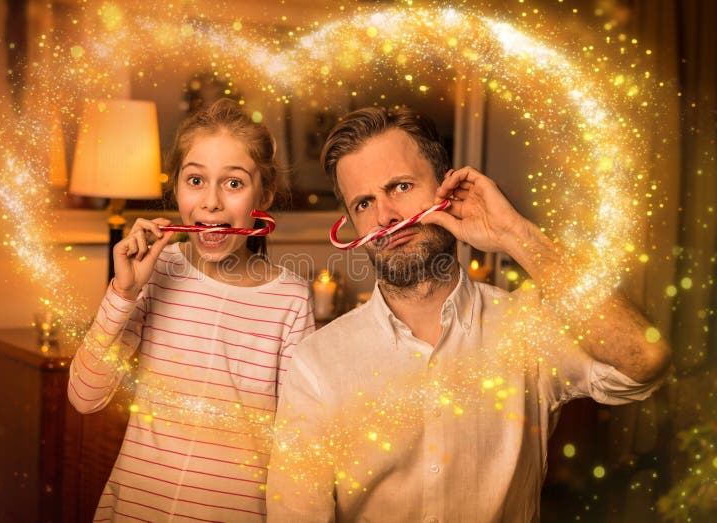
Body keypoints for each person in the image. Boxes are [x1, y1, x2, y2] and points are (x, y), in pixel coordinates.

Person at [265, 106, 671, 522]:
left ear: (447, 189)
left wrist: (515, 234)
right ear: (351, 222)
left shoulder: (527, 327)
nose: (385, 216)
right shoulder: (318, 362)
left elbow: (645, 358)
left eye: (401, 186)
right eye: (364, 202)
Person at [68, 98, 314, 522]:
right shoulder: (156, 271)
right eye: (196, 180)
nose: (212, 202)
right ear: (176, 188)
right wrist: (123, 294)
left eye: (233, 183)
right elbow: (84, 398)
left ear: (265, 195)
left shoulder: (291, 298)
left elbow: (297, 443)